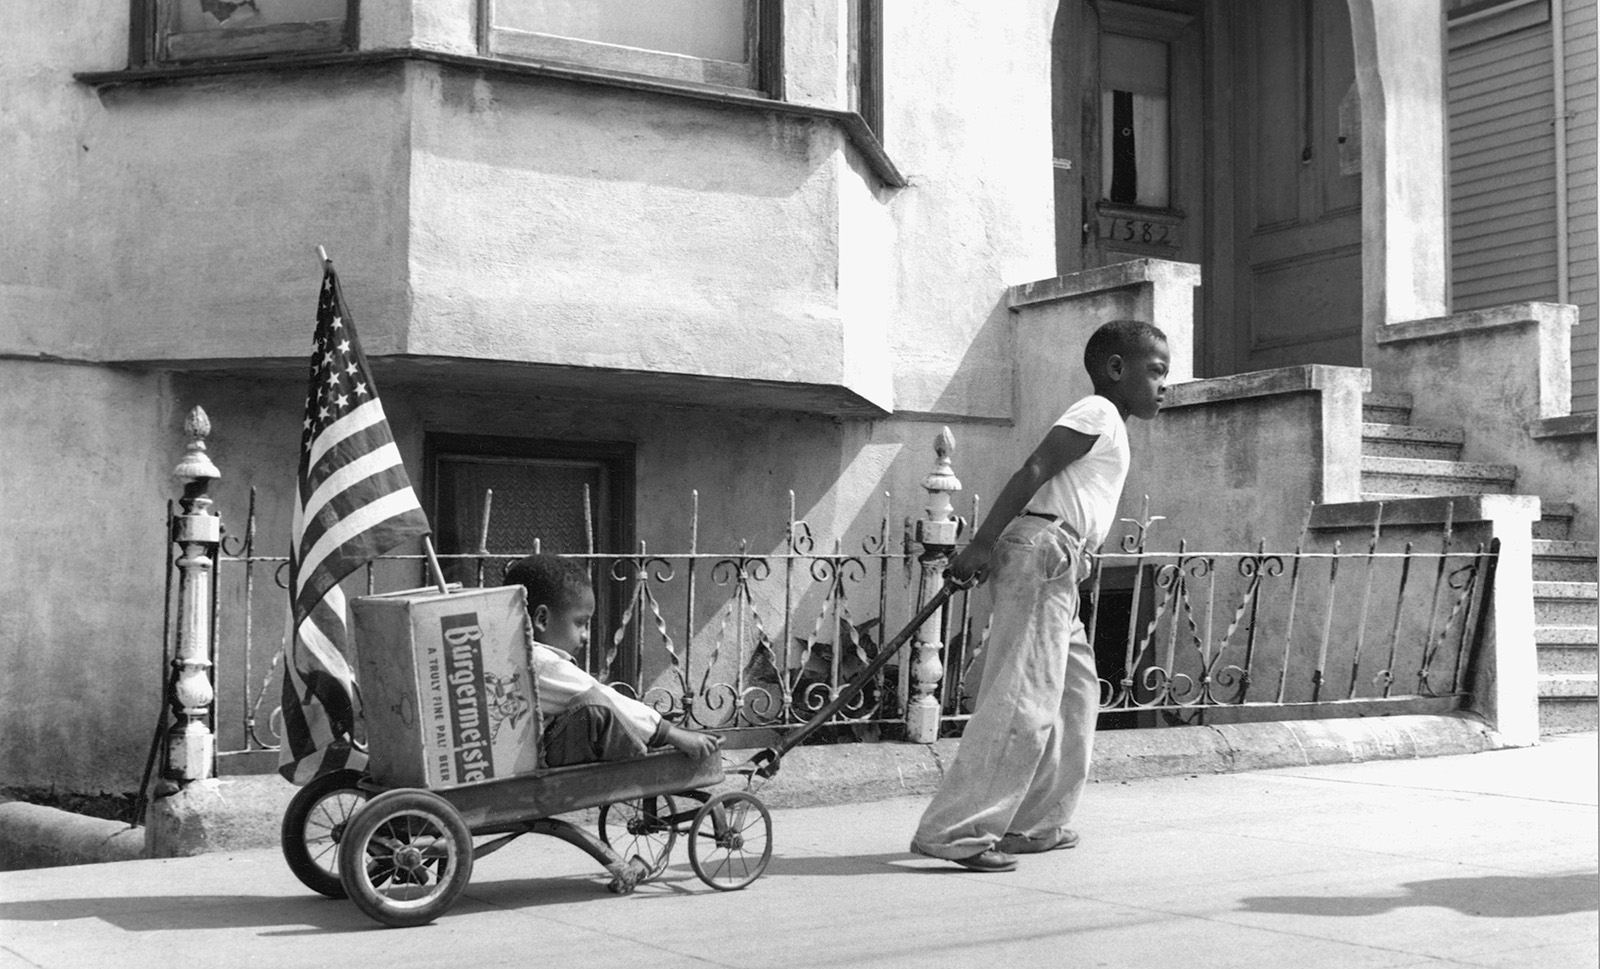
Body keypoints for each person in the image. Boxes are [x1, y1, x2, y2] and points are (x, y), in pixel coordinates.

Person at [909, 319, 1170, 872]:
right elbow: (1035, 469)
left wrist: (1084, 560)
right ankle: (956, 831)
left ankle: (1034, 824)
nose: (1163, 384)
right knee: (1021, 698)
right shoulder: (1097, 411)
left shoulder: (1113, 426)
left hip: (1062, 562)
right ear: (1116, 370)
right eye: (1155, 371)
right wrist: (981, 544)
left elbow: (1077, 498)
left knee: (1076, 697)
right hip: (1044, 552)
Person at [501, 554, 721, 767]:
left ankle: (645, 734)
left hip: (532, 752)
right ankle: (645, 756)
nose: (586, 636)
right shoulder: (539, 662)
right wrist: (672, 734)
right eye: (580, 623)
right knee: (596, 705)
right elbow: (599, 694)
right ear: (542, 619)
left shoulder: (512, 656)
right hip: (540, 762)